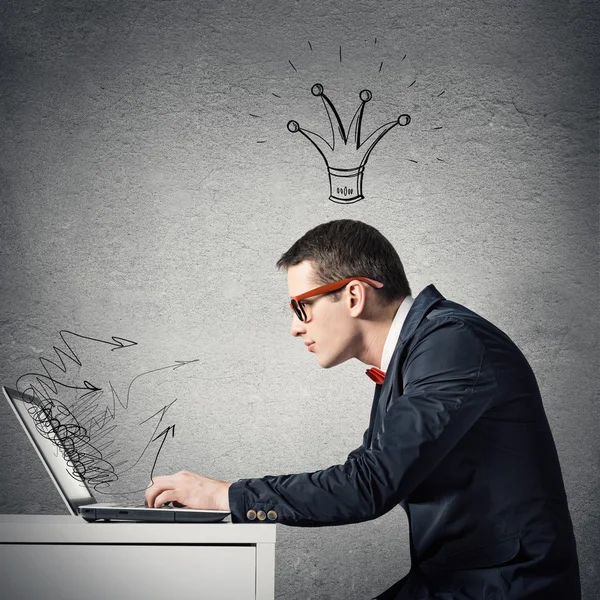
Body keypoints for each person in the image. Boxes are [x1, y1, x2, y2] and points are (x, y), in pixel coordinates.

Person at [146, 219, 581, 599]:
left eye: (302, 306)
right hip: (450, 582)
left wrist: (226, 495)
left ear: (354, 296)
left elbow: (369, 485)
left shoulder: (451, 342)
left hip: (502, 587)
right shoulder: (416, 351)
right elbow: (368, 471)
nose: (295, 327)